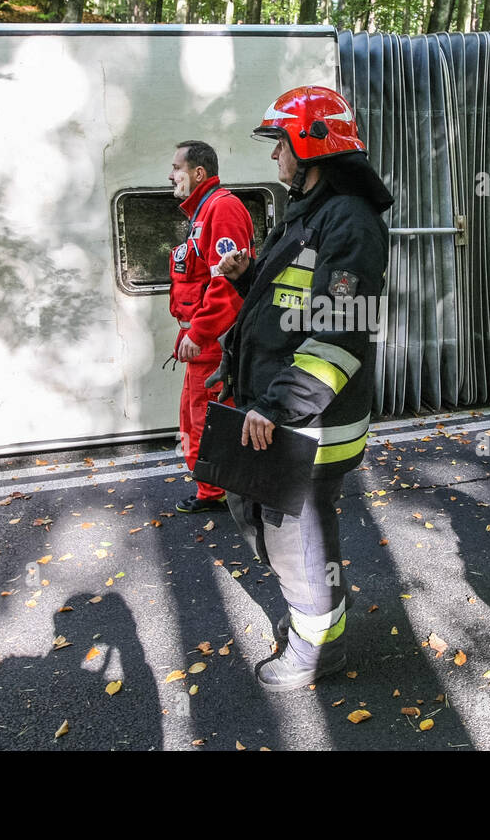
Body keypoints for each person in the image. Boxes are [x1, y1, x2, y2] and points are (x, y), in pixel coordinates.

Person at [212, 85, 392, 692]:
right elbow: (288, 311)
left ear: (308, 148)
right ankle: (316, 628)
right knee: (276, 527)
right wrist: (247, 285)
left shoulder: (351, 223)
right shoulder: (310, 215)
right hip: (283, 411)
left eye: (278, 145)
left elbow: (340, 333)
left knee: (300, 540)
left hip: (309, 421)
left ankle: (317, 652)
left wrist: (277, 405)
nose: (274, 159)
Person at [166, 140, 255, 513]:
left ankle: (223, 491)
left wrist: (199, 332)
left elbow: (228, 284)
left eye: (177, 168)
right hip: (199, 340)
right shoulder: (202, 213)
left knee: (209, 420)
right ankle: (212, 489)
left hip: (213, 343)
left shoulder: (223, 209)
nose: (171, 175)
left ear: (198, 173)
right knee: (193, 418)